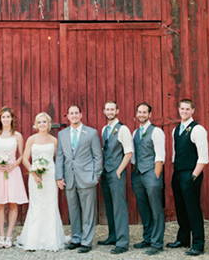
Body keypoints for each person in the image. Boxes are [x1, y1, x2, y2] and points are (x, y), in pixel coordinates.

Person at [15, 112, 68, 251]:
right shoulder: (31, 139)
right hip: (35, 177)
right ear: (36, 124)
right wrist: (33, 173)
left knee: (50, 205)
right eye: (39, 122)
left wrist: (59, 177)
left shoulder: (54, 140)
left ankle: (51, 240)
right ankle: (33, 240)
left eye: (44, 122)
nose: (42, 124)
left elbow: (58, 160)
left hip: (50, 176)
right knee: (36, 205)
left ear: (49, 124)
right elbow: (25, 159)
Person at [56, 105, 103, 254]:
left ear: (81, 115)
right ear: (68, 116)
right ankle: (76, 238)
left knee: (88, 212)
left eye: (76, 113)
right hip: (69, 179)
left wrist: (95, 176)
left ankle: (87, 241)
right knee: (73, 211)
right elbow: (60, 156)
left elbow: (98, 156)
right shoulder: (62, 134)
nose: (74, 115)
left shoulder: (91, 133)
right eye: (71, 113)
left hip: (87, 178)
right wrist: (59, 177)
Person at [168, 99, 209, 256]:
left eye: (187, 109)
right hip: (178, 173)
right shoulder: (176, 129)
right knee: (181, 208)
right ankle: (183, 239)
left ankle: (198, 244)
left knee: (193, 209)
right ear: (178, 110)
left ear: (193, 111)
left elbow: (203, 157)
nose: (184, 111)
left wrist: (193, 176)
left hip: (191, 174)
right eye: (182, 109)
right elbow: (175, 153)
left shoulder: (198, 129)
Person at [0, 106, 28, 248]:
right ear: (0, 119)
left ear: (12, 118)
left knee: (13, 203)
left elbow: (22, 155)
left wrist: (13, 165)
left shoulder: (17, 136)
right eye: (3, 117)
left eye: (8, 117)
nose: (6, 119)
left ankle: (9, 235)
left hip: (12, 171)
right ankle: (1, 235)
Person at [131, 102, 166, 255]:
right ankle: (148, 238)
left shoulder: (156, 131)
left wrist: (156, 175)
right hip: (138, 174)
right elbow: (134, 155)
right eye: (139, 112)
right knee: (144, 208)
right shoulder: (135, 132)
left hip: (151, 173)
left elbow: (160, 156)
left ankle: (157, 243)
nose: (142, 114)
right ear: (136, 114)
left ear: (150, 114)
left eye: (144, 112)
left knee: (156, 209)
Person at [98, 101, 132, 254]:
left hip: (116, 172)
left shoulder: (123, 129)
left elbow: (128, 152)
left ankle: (122, 242)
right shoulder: (104, 129)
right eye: (107, 109)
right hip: (106, 172)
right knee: (110, 206)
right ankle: (113, 236)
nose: (110, 112)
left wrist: (119, 170)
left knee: (119, 207)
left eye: (112, 109)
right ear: (104, 111)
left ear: (117, 111)